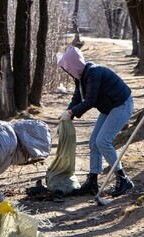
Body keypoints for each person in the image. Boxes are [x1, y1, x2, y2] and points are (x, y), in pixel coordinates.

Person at [57, 45, 135, 197]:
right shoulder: (80, 78)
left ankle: (123, 179)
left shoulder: (93, 73)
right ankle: (92, 181)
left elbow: (91, 100)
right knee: (94, 142)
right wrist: (65, 119)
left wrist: (71, 112)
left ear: (74, 65)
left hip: (121, 104)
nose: (67, 72)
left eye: (68, 68)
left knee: (103, 141)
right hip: (109, 107)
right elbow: (77, 99)